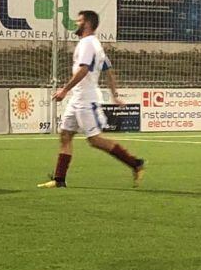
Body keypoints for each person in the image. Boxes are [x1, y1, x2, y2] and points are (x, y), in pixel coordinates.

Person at [38, 10, 145, 189]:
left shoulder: (88, 44)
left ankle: (135, 163)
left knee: (95, 140)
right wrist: (115, 96)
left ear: (86, 24)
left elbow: (84, 69)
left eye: (79, 21)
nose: (76, 23)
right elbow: (109, 71)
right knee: (65, 135)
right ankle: (59, 179)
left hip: (87, 100)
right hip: (78, 98)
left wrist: (64, 90)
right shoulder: (94, 44)